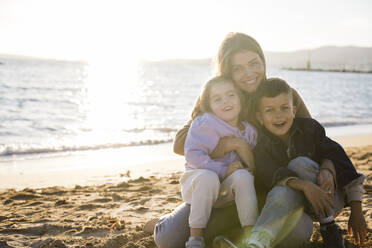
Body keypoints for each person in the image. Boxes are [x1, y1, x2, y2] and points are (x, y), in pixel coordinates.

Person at [153, 32, 314, 248]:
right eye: (237, 68)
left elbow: (313, 138)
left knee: (299, 231)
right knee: (168, 238)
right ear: (227, 71)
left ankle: (235, 236)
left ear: (263, 61)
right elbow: (181, 142)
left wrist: (328, 169)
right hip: (225, 193)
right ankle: (160, 223)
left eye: (253, 63)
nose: (248, 73)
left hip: (270, 194)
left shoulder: (281, 93)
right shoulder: (221, 97)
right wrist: (231, 144)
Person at [236, 78, 367, 248]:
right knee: (284, 203)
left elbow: (339, 157)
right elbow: (271, 173)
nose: (279, 115)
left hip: (327, 198)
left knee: (300, 164)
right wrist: (304, 186)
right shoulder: (261, 146)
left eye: (285, 108)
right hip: (293, 207)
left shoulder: (310, 129)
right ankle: (256, 242)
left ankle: (328, 225)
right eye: (270, 110)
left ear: (294, 110)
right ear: (259, 117)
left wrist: (356, 210)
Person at [181, 76, 258, 248]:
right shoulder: (205, 123)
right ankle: (195, 239)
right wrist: (223, 169)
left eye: (231, 95)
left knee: (243, 176)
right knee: (208, 177)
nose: (226, 102)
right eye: (217, 99)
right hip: (196, 186)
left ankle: (251, 236)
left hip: (224, 191)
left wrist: (248, 167)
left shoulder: (248, 130)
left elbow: (251, 160)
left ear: (240, 98)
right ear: (209, 105)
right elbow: (193, 156)